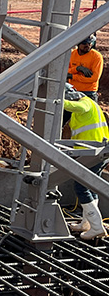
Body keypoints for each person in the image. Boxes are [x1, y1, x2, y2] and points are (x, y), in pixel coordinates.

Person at [63, 85, 109, 240]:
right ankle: (87, 223)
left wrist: (58, 101)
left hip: (92, 153)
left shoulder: (86, 102)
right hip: (97, 151)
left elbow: (78, 107)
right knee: (91, 186)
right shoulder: (89, 106)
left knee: (81, 187)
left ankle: (96, 227)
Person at [67, 34, 103, 102]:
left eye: (90, 43)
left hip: (89, 93)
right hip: (73, 91)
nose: (88, 45)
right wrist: (77, 68)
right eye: (84, 43)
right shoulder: (71, 54)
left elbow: (94, 78)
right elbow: (65, 72)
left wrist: (72, 76)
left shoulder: (96, 56)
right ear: (78, 43)